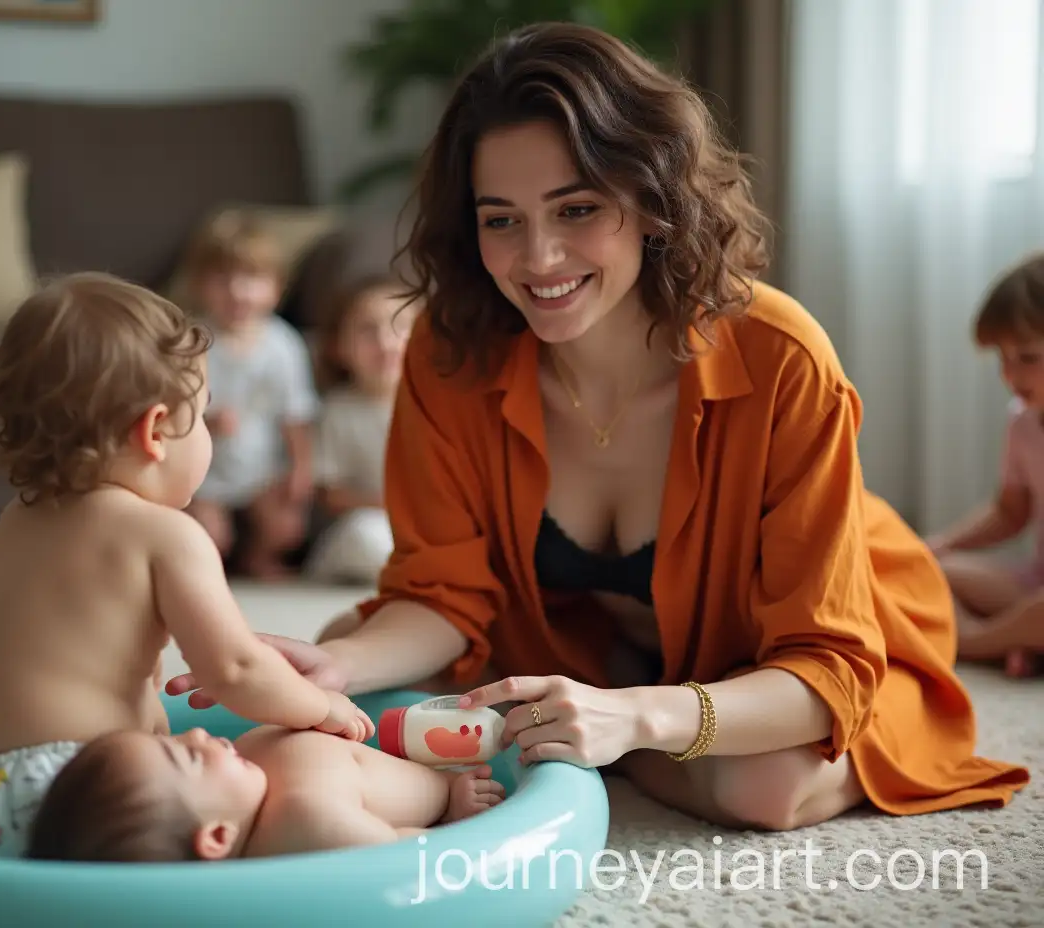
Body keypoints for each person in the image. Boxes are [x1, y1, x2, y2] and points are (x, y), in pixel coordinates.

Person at [168, 22, 1030, 832]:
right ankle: (586, 720)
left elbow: (822, 665)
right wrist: (345, 671)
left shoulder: (782, 357)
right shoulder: (448, 348)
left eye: (577, 210)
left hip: (781, 642)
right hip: (575, 643)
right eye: (501, 219)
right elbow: (443, 592)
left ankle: (601, 734)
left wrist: (635, 716)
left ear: (653, 200)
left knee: (761, 785)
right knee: (343, 650)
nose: (538, 259)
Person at [0, 272, 372, 859]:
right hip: (62, 802)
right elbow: (236, 671)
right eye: (204, 414)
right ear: (157, 430)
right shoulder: (166, 535)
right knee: (276, 786)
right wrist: (324, 708)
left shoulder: (19, 516)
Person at [25, 724, 504, 862]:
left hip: (410, 733)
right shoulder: (309, 825)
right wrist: (453, 816)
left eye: (170, 740)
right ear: (216, 836)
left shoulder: (248, 763)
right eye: (187, 757)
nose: (194, 733)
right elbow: (403, 853)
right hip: (451, 781)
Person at [171, 209, 319, 578]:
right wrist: (204, 421)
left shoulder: (283, 344)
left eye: (252, 278)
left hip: (261, 471)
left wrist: (302, 467)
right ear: (199, 284)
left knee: (287, 528)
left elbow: (295, 414)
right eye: (222, 279)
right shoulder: (192, 343)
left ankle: (257, 557)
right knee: (207, 537)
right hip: (205, 475)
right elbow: (170, 412)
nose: (238, 291)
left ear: (276, 286)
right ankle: (211, 570)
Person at [928, 252, 1044, 678]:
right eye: (1002, 357)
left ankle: (977, 642)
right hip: (1031, 587)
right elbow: (1010, 513)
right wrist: (941, 544)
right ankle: (1019, 638)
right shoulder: (1022, 423)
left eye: (1028, 358)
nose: (1010, 374)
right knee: (930, 573)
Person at [302, 274, 419, 584]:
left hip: (432, 527)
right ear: (338, 346)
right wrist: (390, 505)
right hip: (374, 524)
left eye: (400, 325)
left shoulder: (445, 405)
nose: (385, 342)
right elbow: (330, 494)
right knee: (366, 536)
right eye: (368, 330)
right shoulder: (338, 411)